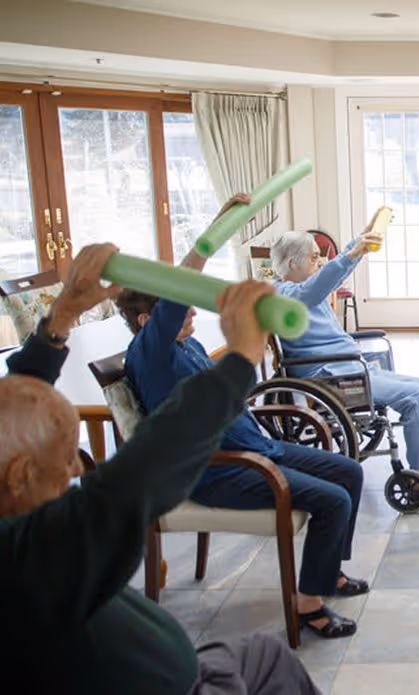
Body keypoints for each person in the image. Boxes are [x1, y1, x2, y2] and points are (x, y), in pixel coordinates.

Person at [0, 243, 321, 694]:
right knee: (270, 669)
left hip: (185, 667)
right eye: (64, 458)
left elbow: (14, 400)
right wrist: (239, 361)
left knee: (266, 657)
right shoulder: (30, 551)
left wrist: (63, 314)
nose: (76, 466)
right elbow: (141, 470)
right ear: (18, 477)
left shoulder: (19, 525)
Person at [116, 195, 367, 640]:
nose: (191, 309)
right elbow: (180, 286)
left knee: (348, 472)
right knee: (334, 500)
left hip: (255, 448)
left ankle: (327, 574)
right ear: (144, 319)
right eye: (179, 306)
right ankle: (308, 605)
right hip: (219, 469)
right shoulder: (151, 353)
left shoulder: (183, 344)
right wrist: (217, 227)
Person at [269, 223, 419, 503]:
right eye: (314, 257)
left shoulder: (303, 288)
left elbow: (331, 277)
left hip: (345, 368)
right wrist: (351, 254)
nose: (320, 261)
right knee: (415, 395)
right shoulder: (285, 295)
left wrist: (359, 244)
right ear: (292, 263)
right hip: (332, 378)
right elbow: (322, 283)